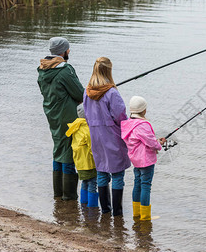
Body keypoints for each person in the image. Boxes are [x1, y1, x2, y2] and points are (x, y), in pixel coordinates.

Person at [37, 37, 84, 200]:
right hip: (67, 116)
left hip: (52, 113)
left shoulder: (42, 69)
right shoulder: (65, 70)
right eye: (68, 49)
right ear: (64, 51)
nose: (69, 51)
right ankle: (69, 196)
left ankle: (58, 194)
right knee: (68, 152)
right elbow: (79, 94)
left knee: (58, 149)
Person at [83, 57, 130, 216]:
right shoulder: (111, 93)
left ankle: (105, 210)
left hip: (96, 136)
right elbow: (121, 117)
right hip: (112, 136)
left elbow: (87, 115)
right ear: (108, 71)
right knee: (117, 174)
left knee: (101, 172)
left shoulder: (87, 92)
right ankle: (117, 213)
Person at [121, 96, 166, 221]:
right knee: (146, 185)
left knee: (137, 184)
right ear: (144, 111)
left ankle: (136, 213)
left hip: (135, 159)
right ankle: (145, 216)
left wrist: (155, 141)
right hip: (146, 160)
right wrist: (159, 144)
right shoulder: (142, 125)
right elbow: (151, 142)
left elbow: (141, 140)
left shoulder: (128, 124)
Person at [65, 104, 98, 208]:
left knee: (84, 182)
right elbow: (92, 148)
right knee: (92, 184)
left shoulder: (76, 126)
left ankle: (83, 204)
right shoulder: (87, 129)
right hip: (89, 163)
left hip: (79, 163)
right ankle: (92, 207)